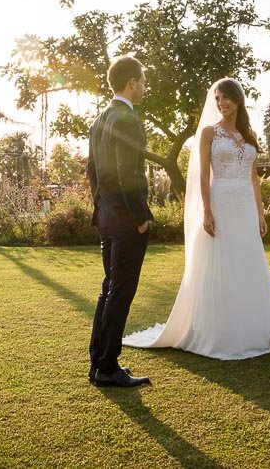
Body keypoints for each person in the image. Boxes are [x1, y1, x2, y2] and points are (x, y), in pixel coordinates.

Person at [123, 79, 270, 360]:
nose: (221, 103)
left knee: (247, 262)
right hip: (221, 201)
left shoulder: (249, 134)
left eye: (226, 98)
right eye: (218, 99)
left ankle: (256, 328)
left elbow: (254, 178)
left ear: (238, 99)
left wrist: (261, 213)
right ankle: (222, 332)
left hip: (245, 206)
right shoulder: (208, 134)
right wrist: (207, 211)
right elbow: (203, 175)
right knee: (223, 262)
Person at [86, 56, 153, 387]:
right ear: (131, 83)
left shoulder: (101, 118)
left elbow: (92, 172)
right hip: (127, 221)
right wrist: (141, 217)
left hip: (106, 218)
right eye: (142, 80)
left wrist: (100, 208)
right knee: (120, 291)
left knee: (109, 288)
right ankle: (108, 366)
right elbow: (128, 173)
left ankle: (98, 361)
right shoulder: (126, 118)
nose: (144, 86)